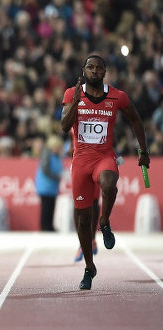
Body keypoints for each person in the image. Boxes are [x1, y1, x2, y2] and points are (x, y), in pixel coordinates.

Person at [61, 54, 150, 290]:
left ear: (104, 72)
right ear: (84, 70)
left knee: (109, 182)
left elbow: (136, 120)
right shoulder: (72, 93)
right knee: (82, 219)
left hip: (104, 156)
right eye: (90, 67)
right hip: (81, 160)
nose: (94, 71)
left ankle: (105, 221)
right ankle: (89, 267)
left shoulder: (117, 96)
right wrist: (77, 101)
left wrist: (143, 150)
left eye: (99, 68)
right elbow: (63, 126)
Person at [34, 134, 64, 232]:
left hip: (52, 186)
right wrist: (57, 177)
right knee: (46, 207)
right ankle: (45, 226)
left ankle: (49, 226)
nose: (60, 149)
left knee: (51, 205)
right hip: (45, 185)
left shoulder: (57, 156)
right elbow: (45, 169)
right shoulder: (47, 154)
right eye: (58, 147)